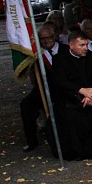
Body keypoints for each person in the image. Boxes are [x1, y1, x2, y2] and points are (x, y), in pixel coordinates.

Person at [47, 30, 92, 160]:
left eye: (86, 44)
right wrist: (80, 90)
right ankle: (78, 151)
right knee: (70, 116)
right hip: (71, 97)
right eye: (82, 45)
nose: (86, 48)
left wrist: (91, 94)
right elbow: (60, 82)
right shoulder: (59, 59)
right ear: (71, 45)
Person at [21, 23, 62, 152]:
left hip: (64, 88)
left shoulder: (66, 49)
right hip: (44, 88)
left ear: (54, 36)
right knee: (26, 105)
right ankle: (31, 141)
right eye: (42, 39)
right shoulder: (36, 55)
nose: (46, 41)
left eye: (48, 37)